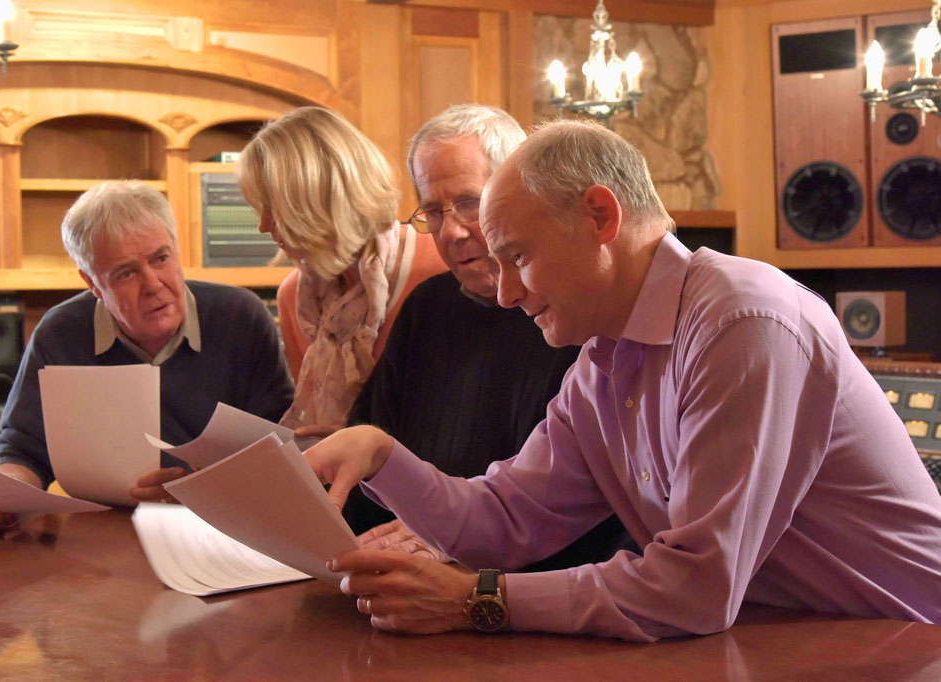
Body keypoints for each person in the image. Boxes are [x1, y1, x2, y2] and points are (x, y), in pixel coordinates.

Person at [305, 119, 941, 639]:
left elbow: (694, 589)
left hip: (904, 644)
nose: (504, 294)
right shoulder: (602, 364)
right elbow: (505, 521)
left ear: (600, 217)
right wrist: (381, 455)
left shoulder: (743, 319)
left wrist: (479, 599)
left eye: (519, 256)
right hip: (787, 641)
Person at [346, 104, 635, 571]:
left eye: (466, 202)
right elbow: (376, 450)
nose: (453, 231)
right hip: (419, 563)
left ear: (515, 191)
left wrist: (449, 539)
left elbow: (592, 506)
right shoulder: (426, 307)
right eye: (434, 211)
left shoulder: (577, 309)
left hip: (540, 578)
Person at [0, 182, 293, 532]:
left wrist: (201, 488)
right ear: (92, 283)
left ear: (178, 252)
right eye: (126, 272)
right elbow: (21, 450)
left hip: (225, 527)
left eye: (161, 258)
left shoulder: (240, 317)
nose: (152, 284)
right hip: (103, 539)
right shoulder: (60, 333)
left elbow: (283, 450)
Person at [237, 106, 446, 436]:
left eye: (274, 206)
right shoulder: (294, 297)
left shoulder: (439, 268)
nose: (263, 226)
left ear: (323, 196)